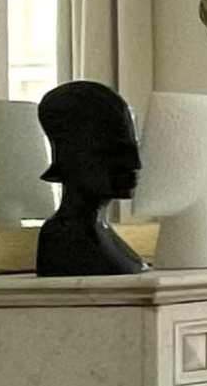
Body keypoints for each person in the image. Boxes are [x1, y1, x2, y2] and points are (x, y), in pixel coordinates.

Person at [34, 79, 147, 276]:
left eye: (133, 150)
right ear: (71, 155)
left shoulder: (101, 231)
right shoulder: (63, 237)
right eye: (115, 152)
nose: (135, 164)